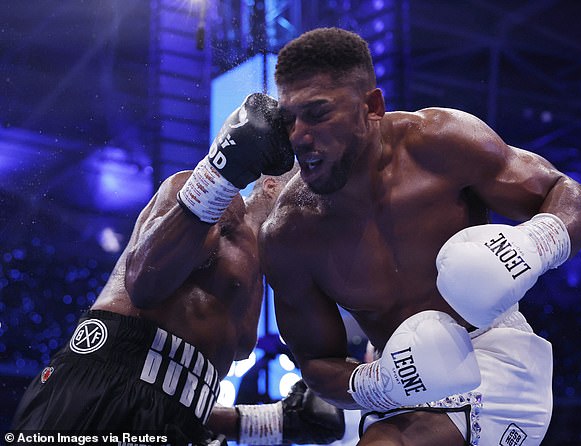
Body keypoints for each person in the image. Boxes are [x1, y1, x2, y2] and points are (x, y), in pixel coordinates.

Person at [259, 28, 581, 446]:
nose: (299, 135)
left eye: (317, 113)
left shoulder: (440, 143)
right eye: (289, 118)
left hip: (497, 353)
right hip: (402, 384)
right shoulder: (288, 234)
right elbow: (315, 362)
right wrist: (378, 383)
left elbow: (567, 195)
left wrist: (535, 243)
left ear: (372, 106)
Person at [12, 93, 345, 445]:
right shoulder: (222, 208)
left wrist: (273, 423)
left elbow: (175, 393)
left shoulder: (269, 275)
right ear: (272, 184)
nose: (323, 206)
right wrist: (222, 170)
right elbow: (143, 281)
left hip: (180, 418)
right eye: (314, 189)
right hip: (103, 389)